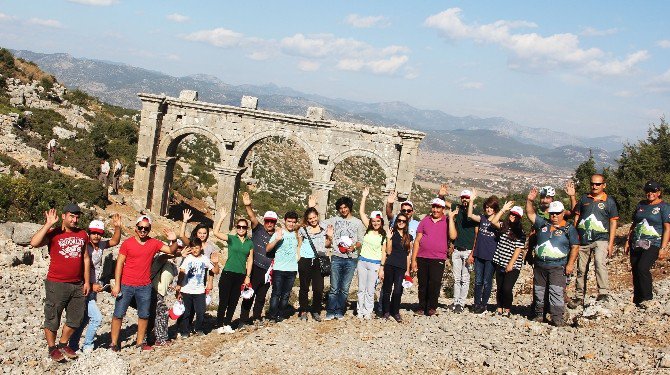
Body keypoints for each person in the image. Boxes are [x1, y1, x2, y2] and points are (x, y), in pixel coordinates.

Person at [30, 203, 91, 362]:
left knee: (76, 318)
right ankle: (52, 348)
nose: (75, 219)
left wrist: (87, 281)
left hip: (77, 284)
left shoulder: (83, 234)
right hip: (56, 283)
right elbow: (34, 243)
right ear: (63, 216)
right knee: (52, 317)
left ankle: (63, 343)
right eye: (71, 216)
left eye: (77, 216)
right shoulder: (54, 233)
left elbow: (85, 257)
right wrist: (48, 224)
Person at [109, 215, 179, 352]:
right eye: (140, 227)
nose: (143, 230)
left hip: (145, 286)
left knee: (144, 315)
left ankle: (140, 342)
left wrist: (174, 240)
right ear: (136, 228)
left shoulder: (154, 243)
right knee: (118, 314)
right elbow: (119, 264)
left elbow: (171, 250)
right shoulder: (127, 243)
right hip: (126, 284)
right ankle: (114, 343)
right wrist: (117, 284)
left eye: (146, 228)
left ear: (150, 229)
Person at [526, 187, 579, 327]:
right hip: (540, 265)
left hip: (558, 266)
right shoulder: (543, 224)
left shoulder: (569, 229)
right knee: (539, 290)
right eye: (552, 213)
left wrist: (570, 264)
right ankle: (539, 314)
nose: (554, 216)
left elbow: (575, 247)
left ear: (562, 213)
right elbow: (530, 214)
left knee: (556, 292)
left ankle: (557, 318)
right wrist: (529, 200)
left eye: (557, 213)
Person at [68, 214, 122, 353]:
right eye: (93, 233)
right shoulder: (85, 246)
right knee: (97, 318)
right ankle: (87, 345)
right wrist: (91, 285)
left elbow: (115, 241)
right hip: (84, 287)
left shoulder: (101, 245)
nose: (96, 236)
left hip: (93, 288)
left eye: (99, 234)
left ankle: (72, 345)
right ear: (89, 232)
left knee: (85, 319)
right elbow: (78, 269)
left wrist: (117, 227)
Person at [571, 174, 619, 306]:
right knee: (581, 268)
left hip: (601, 239)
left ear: (604, 185)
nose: (594, 186)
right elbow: (576, 217)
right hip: (583, 240)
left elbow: (613, 222)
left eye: (598, 184)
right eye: (592, 183)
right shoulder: (584, 199)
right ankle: (579, 296)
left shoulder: (609, 201)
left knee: (599, 262)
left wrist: (611, 243)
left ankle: (603, 292)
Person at [318, 196, 366, 320]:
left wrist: (354, 247)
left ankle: (339, 310)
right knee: (334, 287)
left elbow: (361, 241)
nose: (343, 210)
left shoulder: (358, 222)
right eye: (340, 208)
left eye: (345, 207)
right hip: (337, 257)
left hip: (351, 258)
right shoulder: (334, 220)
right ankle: (330, 311)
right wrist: (314, 206)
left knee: (344, 288)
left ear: (349, 207)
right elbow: (317, 222)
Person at [625, 181, 670, 307]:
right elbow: (634, 224)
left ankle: (647, 298)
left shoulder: (664, 207)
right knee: (635, 269)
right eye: (648, 191)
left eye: (653, 191)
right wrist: (628, 241)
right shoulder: (641, 205)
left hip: (653, 243)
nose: (650, 194)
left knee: (643, 267)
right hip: (637, 242)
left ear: (659, 193)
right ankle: (638, 299)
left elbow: (667, 228)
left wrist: (663, 247)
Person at [411, 198, 457, 316]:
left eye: (438, 207)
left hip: (438, 258)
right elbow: (417, 241)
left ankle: (432, 307)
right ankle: (421, 307)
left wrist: (451, 218)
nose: (435, 210)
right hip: (422, 256)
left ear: (443, 209)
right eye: (434, 207)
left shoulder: (447, 221)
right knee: (423, 283)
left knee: (435, 283)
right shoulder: (425, 221)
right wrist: (413, 260)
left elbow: (452, 236)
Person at [240, 192, 277, 324]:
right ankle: (243, 320)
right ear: (265, 221)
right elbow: (252, 217)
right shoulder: (258, 229)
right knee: (249, 294)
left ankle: (256, 318)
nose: (269, 224)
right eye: (267, 221)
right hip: (255, 267)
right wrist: (248, 206)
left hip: (268, 271)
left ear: (275, 222)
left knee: (261, 297)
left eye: (272, 222)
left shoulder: (277, 235)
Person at [212, 211, 253, 333]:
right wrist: (222, 218)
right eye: (239, 227)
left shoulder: (249, 243)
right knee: (224, 300)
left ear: (247, 229)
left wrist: (248, 276)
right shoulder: (231, 238)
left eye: (244, 227)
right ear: (236, 228)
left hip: (240, 275)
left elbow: (250, 260)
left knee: (234, 301)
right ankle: (219, 325)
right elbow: (215, 233)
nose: (241, 229)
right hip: (228, 273)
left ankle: (228, 323)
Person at [297, 205, 333, 321]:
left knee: (318, 288)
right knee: (304, 287)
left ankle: (315, 309)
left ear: (318, 216)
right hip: (305, 260)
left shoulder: (324, 229)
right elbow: (299, 244)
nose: (313, 220)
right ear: (307, 219)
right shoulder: (303, 229)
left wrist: (330, 237)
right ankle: (303, 310)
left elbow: (327, 245)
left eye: (314, 217)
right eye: (310, 218)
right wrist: (299, 257)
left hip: (319, 260)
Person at [466, 189, 500, 314]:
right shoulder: (482, 218)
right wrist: (471, 200)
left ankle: (484, 304)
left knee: (487, 281)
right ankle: (476, 303)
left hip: (491, 256)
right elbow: (470, 215)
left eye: (491, 208)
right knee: (478, 281)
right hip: (479, 254)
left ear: (495, 209)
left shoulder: (498, 222)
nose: (488, 209)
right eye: (486, 207)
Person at [490, 203, 526, 317]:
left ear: (519, 218)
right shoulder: (504, 226)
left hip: (513, 265)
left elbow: (518, 249)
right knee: (499, 287)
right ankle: (499, 307)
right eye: (512, 214)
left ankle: (507, 307)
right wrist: (503, 210)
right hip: (500, 260)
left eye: (516, 216)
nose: (512, 217)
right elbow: (493, 221)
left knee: (507, 288)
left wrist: (510, 264)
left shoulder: (521, 233)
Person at [357, 188, 388, 320]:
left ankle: (368, 311)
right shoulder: (368, 230)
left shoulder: (384, 235)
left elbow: (384, 252)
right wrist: (364, 196)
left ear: (381, 222)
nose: (375, 223)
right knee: (361, 289)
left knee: (370, 290)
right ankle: (359, 311)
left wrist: (382, 267)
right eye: (373, 221)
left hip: (375, 264)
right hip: (362, 261)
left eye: (378, 221)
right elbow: (361, 212)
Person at [175, 238, 215, 337]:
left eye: (197, 248)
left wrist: (216, 263)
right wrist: (179, 285)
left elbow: (214, 270)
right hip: (186, 289)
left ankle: (198, 328)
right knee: (186, 311)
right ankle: (184, 330)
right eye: (192, 248)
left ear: (201, 248)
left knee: (201, 311)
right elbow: (182, 271)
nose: (195, 250)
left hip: (200, 290)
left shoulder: (204, 259)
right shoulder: (188, 258)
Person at [266, 211, 301, 322]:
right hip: (279, 269)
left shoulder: (297, 234)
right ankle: (272, 316)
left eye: (293, 222)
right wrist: (277, 239)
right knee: (276, 294)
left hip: (292, 269)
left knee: (286, 294)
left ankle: (280, 315)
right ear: (285, 221)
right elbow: (267, 249)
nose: (291, 224)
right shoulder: (279, 233)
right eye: (289, 221)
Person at [381, 212, 413, 322]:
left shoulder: (409, 237)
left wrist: (408, 270)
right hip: (390, 264)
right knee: (387, 289)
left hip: (401, 267)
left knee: (398, 290)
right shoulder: (392, 233)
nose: (401, 222)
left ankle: (395, 311)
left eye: (403, 221)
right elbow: (388, 251)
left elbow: (409, 254)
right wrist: (389, 238)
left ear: (406, 223)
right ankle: (386, 311)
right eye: (399, 220)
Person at [451, 189, 478, 313]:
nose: (464, 199)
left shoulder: (475, 212)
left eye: (467, 197)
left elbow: (477, 234)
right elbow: (443, 204)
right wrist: (441, 194)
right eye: (463, 197)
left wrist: (473, 253)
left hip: (468, 251)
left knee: (465, 279)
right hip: (457, 250)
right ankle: (455, 301)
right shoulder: (458, 209)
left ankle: (461, 303)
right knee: (456, 278)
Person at [149, 246, 179, 346]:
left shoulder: (173, 264)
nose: (178, 249)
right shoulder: (160, 258)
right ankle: (160, 338)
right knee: (162, 312)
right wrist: (177, 254)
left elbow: (172, 279)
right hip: (152, 291)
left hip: (161, 293)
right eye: (177, 248)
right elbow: (162, 259)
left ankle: (154, 337)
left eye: (180, 248)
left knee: (156, 314)